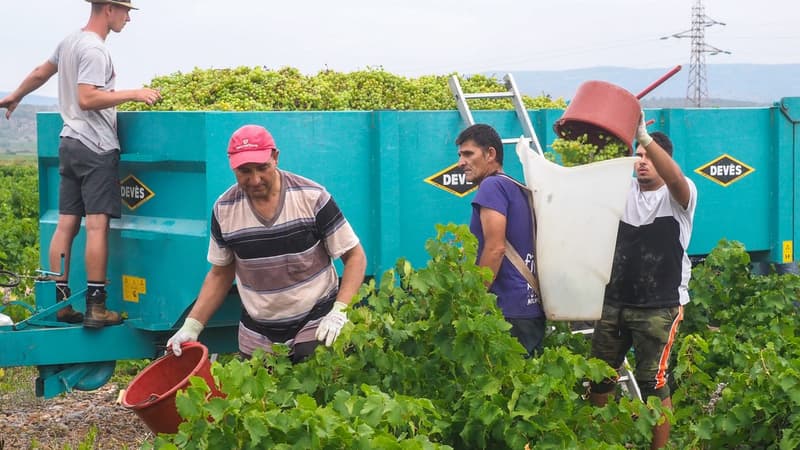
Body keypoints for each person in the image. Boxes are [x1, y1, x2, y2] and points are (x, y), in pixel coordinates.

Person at [0, 0, 161, 328]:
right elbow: (87, 98)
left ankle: (59, 302)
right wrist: (134, 93)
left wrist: (16, 94)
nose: (128, 18)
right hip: (95, 146)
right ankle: (96, 307)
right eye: (125, 11)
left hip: (69, 142)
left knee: (66, 224)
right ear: (108, 9)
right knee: (97, 226)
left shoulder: (70, 40)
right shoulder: (94, 50)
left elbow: (40, 72)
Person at [167, 124, 367, 362]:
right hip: (259, 330)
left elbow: (355, 256)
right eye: (244, 171)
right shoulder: (224, 210)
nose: (255, 179)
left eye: (262, 168)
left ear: (276, 157)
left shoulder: (312, 197)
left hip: (315, 318)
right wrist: (192, 326)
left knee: (313, 376)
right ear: (232, 166)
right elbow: (221, 273)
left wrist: (339, 311)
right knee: (256, 395)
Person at [588, 118, 697, 449]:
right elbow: (596, 172)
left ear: (664, 160)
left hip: (659, 306)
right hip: (615, 301)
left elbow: (675, 177)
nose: (642, 162)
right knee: (598, 377)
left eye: (649, 156)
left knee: (654, 382)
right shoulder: (624, 191)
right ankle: (598, 442)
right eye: (638, 156)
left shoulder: (680, 195)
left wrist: (644, 138)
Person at [456, 124, 545, 358]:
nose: (460, 162)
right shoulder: (514, 187)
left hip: (507, 310)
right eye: (460, 155)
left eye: (468, 154)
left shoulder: (492, 186)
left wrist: (475, 300)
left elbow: (495, 248)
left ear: (491, 154)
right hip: (530, 307)